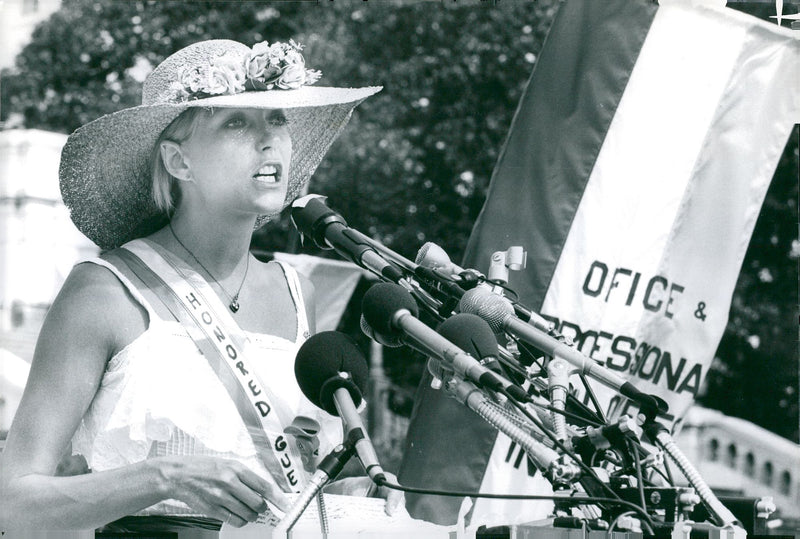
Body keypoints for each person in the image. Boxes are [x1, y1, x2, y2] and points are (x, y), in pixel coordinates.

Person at [0, 38, 385, 531]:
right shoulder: (105, 291)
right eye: (236, 122)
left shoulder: (298, 291)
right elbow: (13, 502)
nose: (269, 140)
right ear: (178, 162)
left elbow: (282, 487)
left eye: (277, 120)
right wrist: (164, 477)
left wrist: (340, 496)